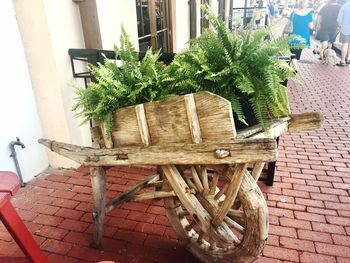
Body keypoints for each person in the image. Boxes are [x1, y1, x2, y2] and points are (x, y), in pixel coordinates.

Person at [289, 0, 314, 72]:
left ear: (298, 5)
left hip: (293, 36)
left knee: (292, 52)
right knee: (297, 53)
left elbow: (289, 24)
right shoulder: (309, 14)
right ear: (306, 6)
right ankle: (295, 67)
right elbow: (311, 26)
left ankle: (295, 67)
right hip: (304, 37)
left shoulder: (293, 13)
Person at [336, 0, 350, 66]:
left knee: (345, 44)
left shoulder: (344, 6)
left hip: (345, 29)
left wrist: (340, 27)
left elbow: (339, 20)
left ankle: (343, 61)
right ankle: (348, 59)